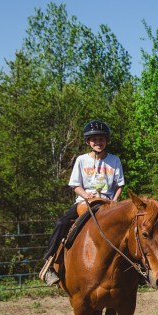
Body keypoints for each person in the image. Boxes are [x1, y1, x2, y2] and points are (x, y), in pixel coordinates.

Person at [39, 120, 125, 286]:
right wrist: (86, 195)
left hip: (108, 203)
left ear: (106, 140)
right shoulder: (81, 160)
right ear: (88, 142)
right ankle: (48, 264)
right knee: (61, 223)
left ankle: (139, 270)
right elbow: (75, 185)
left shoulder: (114, 160)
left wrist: (114, 201)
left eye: (101, 139)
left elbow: (119, 185)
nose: (98, 142)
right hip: (85, 202)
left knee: (130, 225)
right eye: (94, 139)